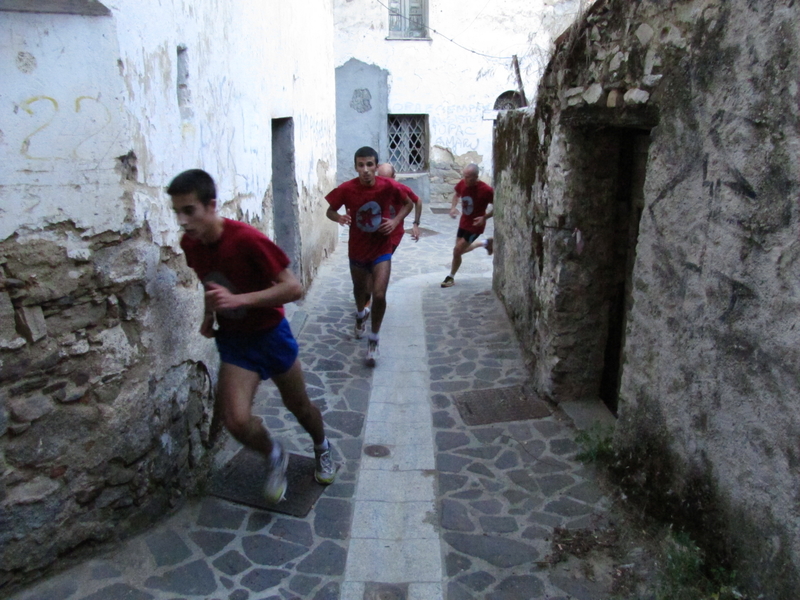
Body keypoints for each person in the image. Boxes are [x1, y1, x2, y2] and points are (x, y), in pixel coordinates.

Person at [167, 168, 335, 504]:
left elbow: (293, 287)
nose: (183, 221)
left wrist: (239, 300)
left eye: (190, 211)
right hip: (235, 342)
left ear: (211, 205)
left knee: (299, 407)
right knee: (236, 421)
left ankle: (322, 446)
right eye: (177, 213)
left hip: (271, 335)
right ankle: (275, 454)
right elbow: (212, 284)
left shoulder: (245, 239)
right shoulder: (191, 244)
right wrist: (208, 314)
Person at [325, 147, 412, 366]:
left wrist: (394, 222)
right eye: (361, 165)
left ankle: (373, 339)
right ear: (355, 167)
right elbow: (329, 211)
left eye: (370, 165)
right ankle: (359, 314)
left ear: (376, 166)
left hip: (381, 249)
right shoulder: (347, 189)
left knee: (379, 295)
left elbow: (409, 203)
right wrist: (340, 218)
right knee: (360, 291)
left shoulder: (388, 186)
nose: (365, 170)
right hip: (357, 250)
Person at [441, 164, 494, 288]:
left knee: (457, 251)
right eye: (464, 176)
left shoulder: (486, 190)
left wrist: (484, 217)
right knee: (459, 250)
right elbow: (456, 195)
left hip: (476, 226)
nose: (465, 179)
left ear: (476, 176)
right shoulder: (463, 184)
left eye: (468, 177)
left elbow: (498, 206)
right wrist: (453, 208)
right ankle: (485, 243)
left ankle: (451, 277)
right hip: (464, 222)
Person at [377, 162, 422, 251]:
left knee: (383, 260)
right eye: (380, 179)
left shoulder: (401, 189)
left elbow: (418, 201)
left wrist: (416, 224)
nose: (383, 183)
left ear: (393, 177)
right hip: (377, 234)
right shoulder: (375, 188)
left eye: (387, 180)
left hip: (394, 234)